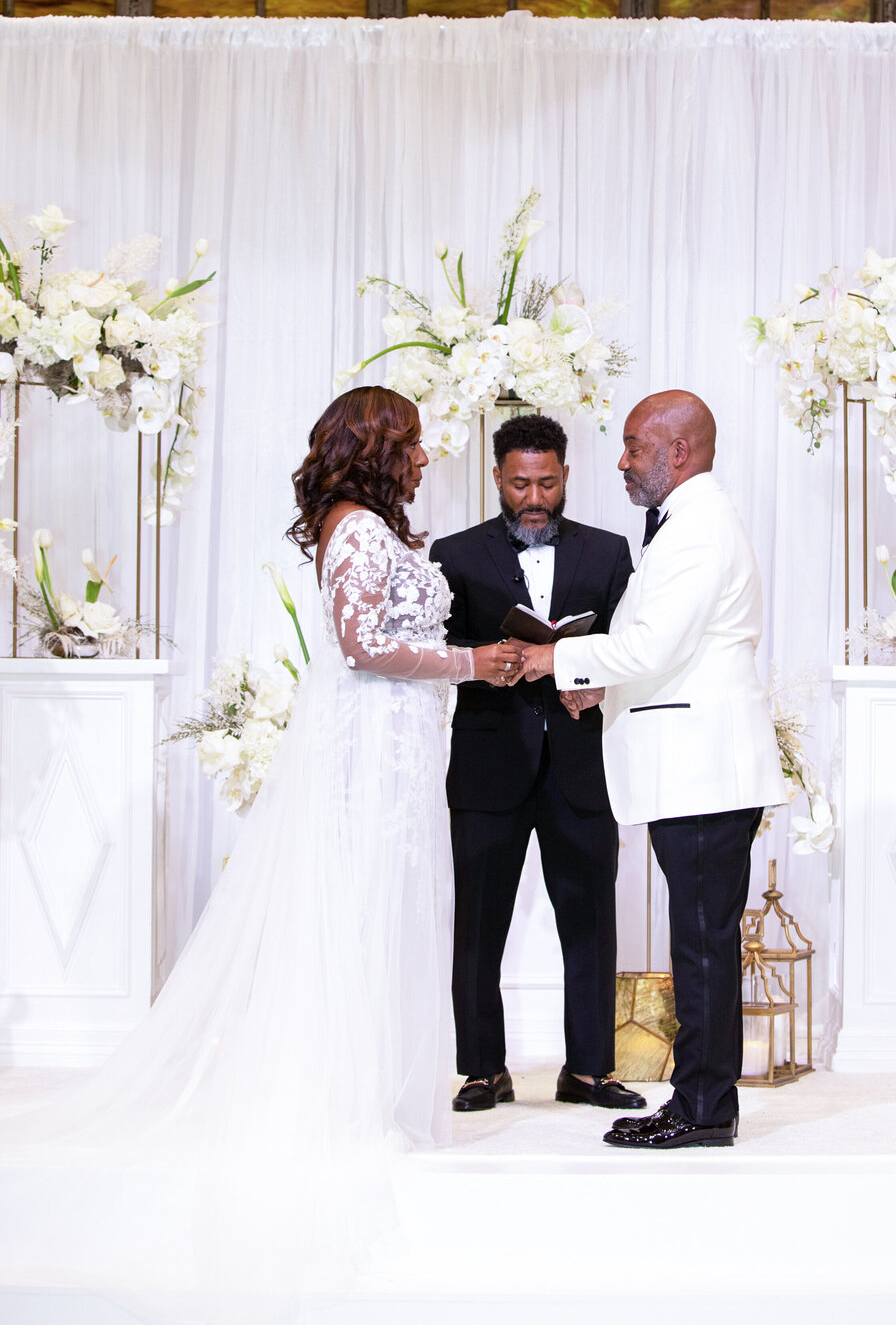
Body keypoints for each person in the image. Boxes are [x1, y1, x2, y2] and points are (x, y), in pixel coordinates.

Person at [0, 387, 526, 1298]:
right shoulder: (356, 529)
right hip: (372, 737)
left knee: (393, 905)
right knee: (363, 902)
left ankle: (383, 1094)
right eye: (413, 441)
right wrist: (471, 663)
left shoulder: (368, 524)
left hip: (403, 738)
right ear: (377, 447)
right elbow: (361, 644)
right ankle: (344, 1097)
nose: (426, 455)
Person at [519, 390, 786, 1150]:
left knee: (702, 945)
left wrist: (555, 659)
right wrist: (601, 686)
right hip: (696, 767)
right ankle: (704, 1102)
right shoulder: (689, 524)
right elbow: (662, 646)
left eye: (635, 445)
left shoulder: (699, 527)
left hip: (703, 771)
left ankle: (702, 1109)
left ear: (679, 452)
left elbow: (648, 648)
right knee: (701, 941)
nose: (623, 460)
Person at [430, 412, 644, 1114]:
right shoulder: (454, 554)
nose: (533, 498)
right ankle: (481, 1069)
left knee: (589, 920)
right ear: (496, 478)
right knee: (479, 923)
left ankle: (588, 1069)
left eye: (546, 483)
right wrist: (483, 665)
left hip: (581, 764)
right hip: (488, 764)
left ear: (566, 477)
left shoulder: (610, 552)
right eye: (519, 483)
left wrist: (602, 680)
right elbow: (433, 654)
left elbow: (634, 647)